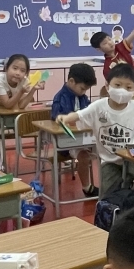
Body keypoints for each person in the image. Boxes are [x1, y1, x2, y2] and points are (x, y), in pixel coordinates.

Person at [56, 62, 134, 196]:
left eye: (128, 87)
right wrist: (65, 118)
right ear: (107, 85)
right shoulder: (99, 106)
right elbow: (79, 115)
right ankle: (127, 188)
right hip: (110, 161)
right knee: (107, 195)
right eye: (118, 85)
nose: (122, 90)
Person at [50, 62, 99, 198]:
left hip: (83, 138)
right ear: (71, 81)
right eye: (83, 88)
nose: (84, 92)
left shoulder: (83, 97)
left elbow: (90, 112)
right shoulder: (60, 97)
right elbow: (57, 118)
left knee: (108, 149)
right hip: (66, 141)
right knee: (83, 156)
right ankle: (87, 188)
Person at [91, 10, 134, 82]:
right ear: (99, 49)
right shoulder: (107, 67)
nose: (110, 43)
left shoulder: (121, 47)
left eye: (109, 39)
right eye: (105, 43)